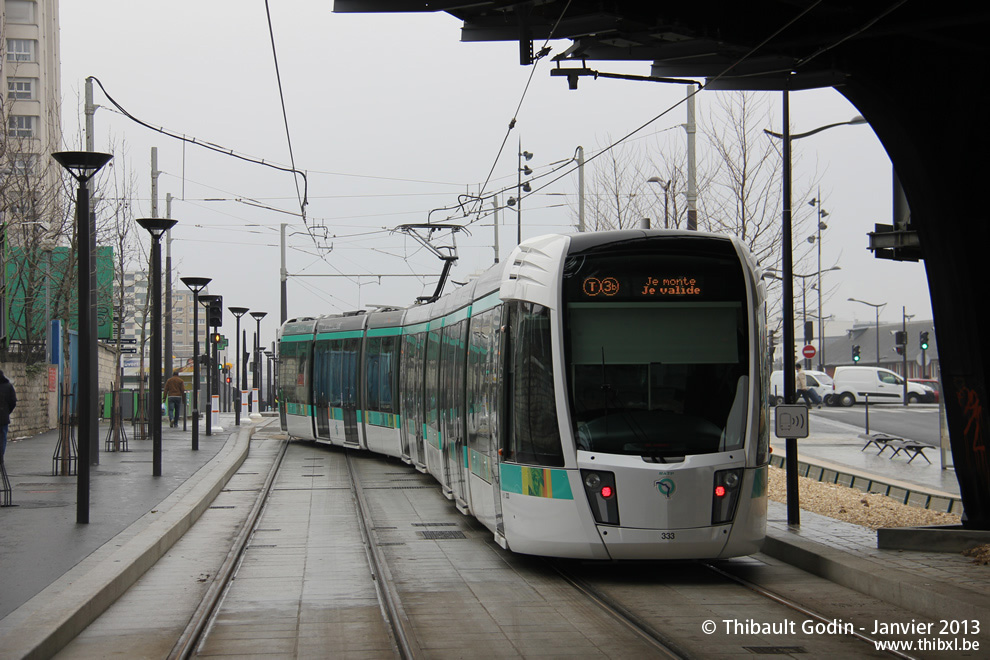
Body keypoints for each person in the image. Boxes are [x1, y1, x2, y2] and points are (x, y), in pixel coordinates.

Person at [0, 370, 17, 459]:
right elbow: (13, 402)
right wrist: (7, 411)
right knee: (2, 438)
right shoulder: (8, 386)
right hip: (3, 418)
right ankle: (1, 456)